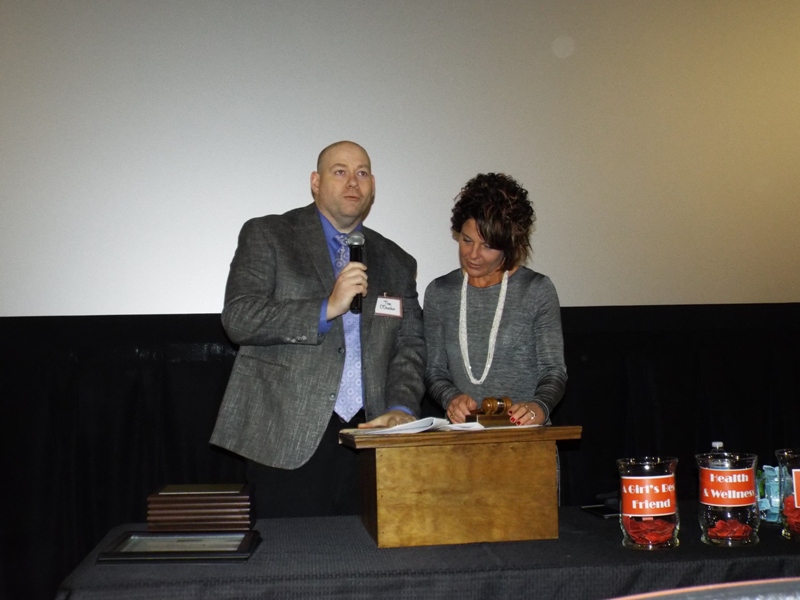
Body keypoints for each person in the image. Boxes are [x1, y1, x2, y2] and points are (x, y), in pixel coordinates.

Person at [211, 141, 426, 517]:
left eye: (362, 173)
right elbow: (240, 318)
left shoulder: (397, 260)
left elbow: (410, 345)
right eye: (340, 172)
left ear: (372, 185)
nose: (353, 182)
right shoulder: (269, 234)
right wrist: (327, 308)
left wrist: (401, 408)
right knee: (290, 551)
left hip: (372, 436)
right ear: (315, 182)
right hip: (286, 434)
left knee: (366, 550)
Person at [424, 172, 566, 425]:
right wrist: (451, 398)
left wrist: (539, 407)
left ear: (509, 245)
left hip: (525, 436)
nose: (473, 254)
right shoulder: (440, 292)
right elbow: (434, 371)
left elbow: (553, 371)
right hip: (463, 437)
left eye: (487, 246)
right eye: (467, 240)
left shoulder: (536, 290)